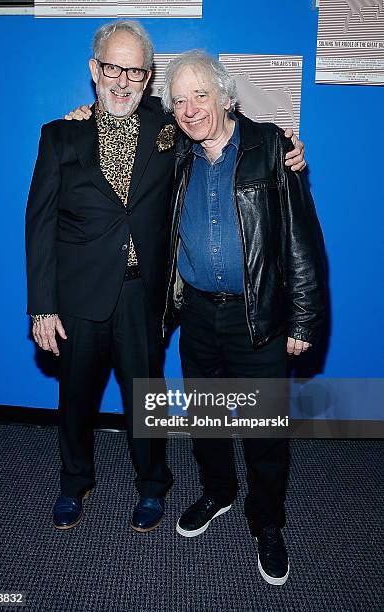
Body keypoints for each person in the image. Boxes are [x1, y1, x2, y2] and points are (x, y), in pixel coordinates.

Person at [26, 20, 306, 534]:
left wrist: (285, 146)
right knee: (74, 400)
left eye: (135, 71)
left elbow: (225, 122)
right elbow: (39, 225)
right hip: (77, 299)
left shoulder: (167, 126)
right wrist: (41, 305)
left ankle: (153, 486)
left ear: (147, 76)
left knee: (146, 399)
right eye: (113, 67)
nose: (122, 81)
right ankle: (74, 481)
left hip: (142, 296)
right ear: (95, 70)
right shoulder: (60, 135)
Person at [160, 50, 326, 585]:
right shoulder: (175, 152)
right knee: (206, 420)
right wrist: (82, 113)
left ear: (225, 95)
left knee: (264, 431)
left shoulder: (272, 148)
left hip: (258, 319)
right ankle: (217, 492)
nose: (189, 110)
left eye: (199, 95)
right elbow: (119, 120)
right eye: (179, 100)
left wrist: (303, 322)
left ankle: (268, 521)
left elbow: (303, 241)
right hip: (198, 316)